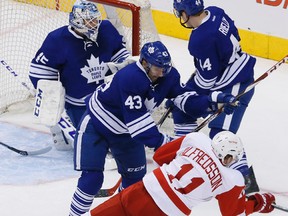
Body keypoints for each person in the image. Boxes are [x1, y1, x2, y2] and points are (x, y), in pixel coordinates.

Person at [68, 41, 238, 215]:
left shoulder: (169, 76)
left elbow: (185, 101)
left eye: (165, 68)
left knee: (133, 183)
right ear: (144, 63)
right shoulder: (130, 77)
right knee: (92, 179)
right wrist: (168, 143)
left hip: (126, 133)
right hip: (97, 126)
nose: (162, 73)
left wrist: (211, 102)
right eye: (157, 68)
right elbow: (139, 126)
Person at [171, 0, 259, 193]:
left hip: (236, 85)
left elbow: (206, 81)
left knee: (221, 136)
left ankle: (245, 182)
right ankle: (186, 160)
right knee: (182, 109)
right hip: (229, 75)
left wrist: (196, 96)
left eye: (180, 12)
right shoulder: (215, 11)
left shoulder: (200, 38)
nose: (179, 15)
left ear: (186, 13)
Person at [90, 131, 276, 216]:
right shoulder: (232, 179)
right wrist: (259, 203)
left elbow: (160, 156)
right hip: (165, 212)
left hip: (140, 191)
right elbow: (232, 212)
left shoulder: (196, 139)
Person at [28, 0, 131, 150]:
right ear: (76, 21)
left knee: (120, 139)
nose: (94, 24)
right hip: (78, 103)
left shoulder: (106, 28)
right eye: (89, 21)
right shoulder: (57, 39)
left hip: (106, 98)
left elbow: (119, 52)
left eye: (95, 19)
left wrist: (123, 66)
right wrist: (47, 91)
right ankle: (59, 132)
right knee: (90, 145)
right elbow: (40, 70)